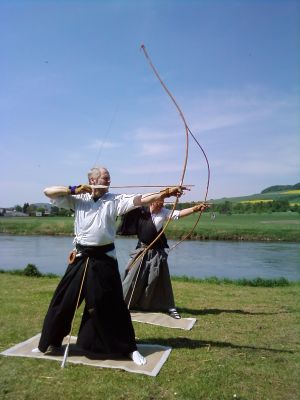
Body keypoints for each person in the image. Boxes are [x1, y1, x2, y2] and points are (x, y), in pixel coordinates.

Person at [37, 166, 184, 365]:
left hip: (104, 259)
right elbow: (48, 191)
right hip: (81, 257)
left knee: (113, 304)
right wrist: (74, 189)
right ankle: (51, 342)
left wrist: (165, 193)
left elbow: (140, 199)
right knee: (63, 301)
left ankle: (128, 348)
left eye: (109, 178)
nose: (108, 181)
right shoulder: (78, 199)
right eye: (105, 178)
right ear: (92, 179)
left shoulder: (114, 200)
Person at [119, 200, 209, 319]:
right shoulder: (140, 211)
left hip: (157, 252)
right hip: (141, 251)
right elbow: (125, 208)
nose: (161, 205)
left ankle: (168, 306)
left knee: (158, 278)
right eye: (159, 202)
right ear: (151, 202)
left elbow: (179, 213)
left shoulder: (164, 212)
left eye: (163, 202)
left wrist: (195, 209)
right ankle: (121, 304)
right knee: (131, 275)